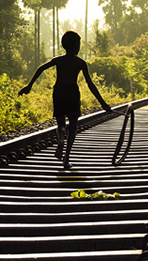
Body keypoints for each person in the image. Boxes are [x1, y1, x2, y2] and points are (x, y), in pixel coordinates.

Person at [18, 31, 112, 169]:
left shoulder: (58, 60)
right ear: (75, 46)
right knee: (73, 126)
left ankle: (61, 139)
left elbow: (41, 68)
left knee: (61, 123)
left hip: (59, 93)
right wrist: (103, 104)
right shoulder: (81, 63)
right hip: (72, 94)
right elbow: (90, 84)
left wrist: (29, 85)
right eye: (79, 44)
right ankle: (66, 159)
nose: (79, 47)